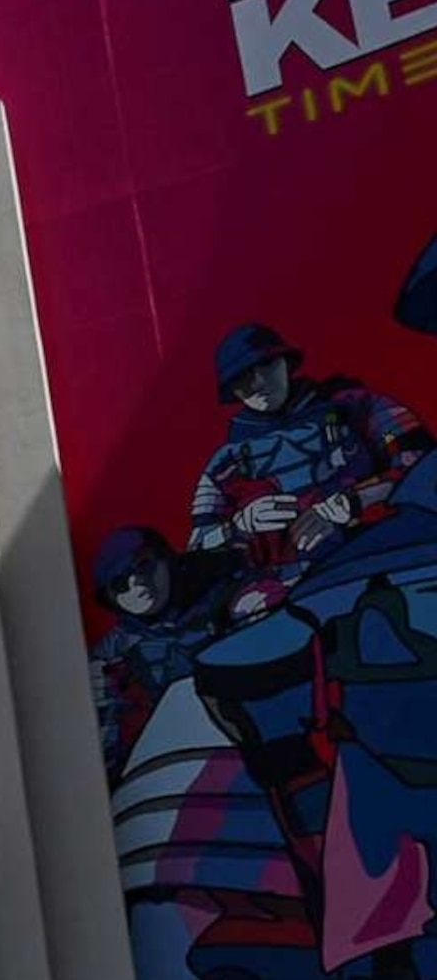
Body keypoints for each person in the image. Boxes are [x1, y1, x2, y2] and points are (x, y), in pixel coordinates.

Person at [188, 323, 430, 600]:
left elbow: (421, 462)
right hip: (287, 591)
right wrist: (239, 526)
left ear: (286, 362)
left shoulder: (356, 407)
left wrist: (354, 501)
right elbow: (196, 549)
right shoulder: (224, 465)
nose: (257, 383)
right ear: (232, 390)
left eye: (265, 364)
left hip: (380, 553)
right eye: (242, 377)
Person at [84, 525, 241, 780]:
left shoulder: (224, 582)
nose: (138, 582)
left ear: (164, 557)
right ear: (111, 598)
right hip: (188, 762)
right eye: (120, 582)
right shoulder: (112, 655)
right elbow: (107, 753)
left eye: (143, 564)